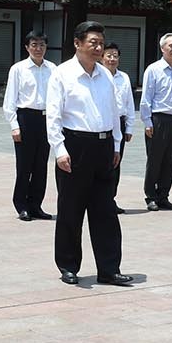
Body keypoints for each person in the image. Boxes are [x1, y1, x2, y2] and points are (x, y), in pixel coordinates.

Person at [46, 21, 132, 286]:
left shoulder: (106, 75)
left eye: (101, 43)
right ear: (77, 43)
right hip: (75, 147)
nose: (98, 48)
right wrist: (59, 150)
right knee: (71, 210)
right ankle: (68, 266)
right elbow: (53, 116)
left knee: (105, 211)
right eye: (93, 42)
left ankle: (109, 269)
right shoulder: (62, 74)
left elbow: (114, 112)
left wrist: (116, 145)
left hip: (104, 147)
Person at [2, 30, 55, 221]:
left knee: (41, 166)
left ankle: (36, 205)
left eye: (42, 45)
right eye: (34, 45)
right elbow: (10, 100)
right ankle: (21, 205)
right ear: (27, 47)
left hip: (46, 120)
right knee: (24, 166)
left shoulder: (52, 69)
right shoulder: (18, 69)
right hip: (26, 118)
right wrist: (14, 125)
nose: (38, 48)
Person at [138, 32, 172, 211]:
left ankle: (163, 195)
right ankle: (150, 196)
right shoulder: (153, 69)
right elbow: (146, 98)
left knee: (170, 160)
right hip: (158, 119)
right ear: (162, 48)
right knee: (155, 159)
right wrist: (147, 122)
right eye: (171, 46)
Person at [101, 42, 137, 215]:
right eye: (109, 55)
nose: (112, 59)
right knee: (101, 163)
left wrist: (129, 127)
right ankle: (99, 199)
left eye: (115, 56)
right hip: (103, 124)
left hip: (120, 124)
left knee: (116, 162)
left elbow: (129, 103)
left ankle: (110, 200)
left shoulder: (124, 78)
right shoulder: (98, 76)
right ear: (102, 58)